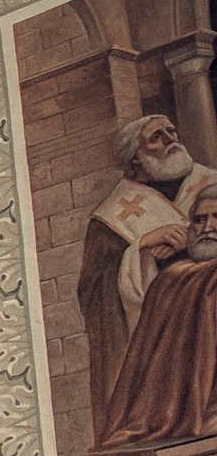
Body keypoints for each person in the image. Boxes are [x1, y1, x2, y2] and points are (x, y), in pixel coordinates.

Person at [79, 114, 217, 427]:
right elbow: (95, 293)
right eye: (156, 137)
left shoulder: (210, 182)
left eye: (171, 131)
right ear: (135, 160)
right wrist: (141, 247)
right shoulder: (110, 217)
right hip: (170, 333)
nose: (171, 139)